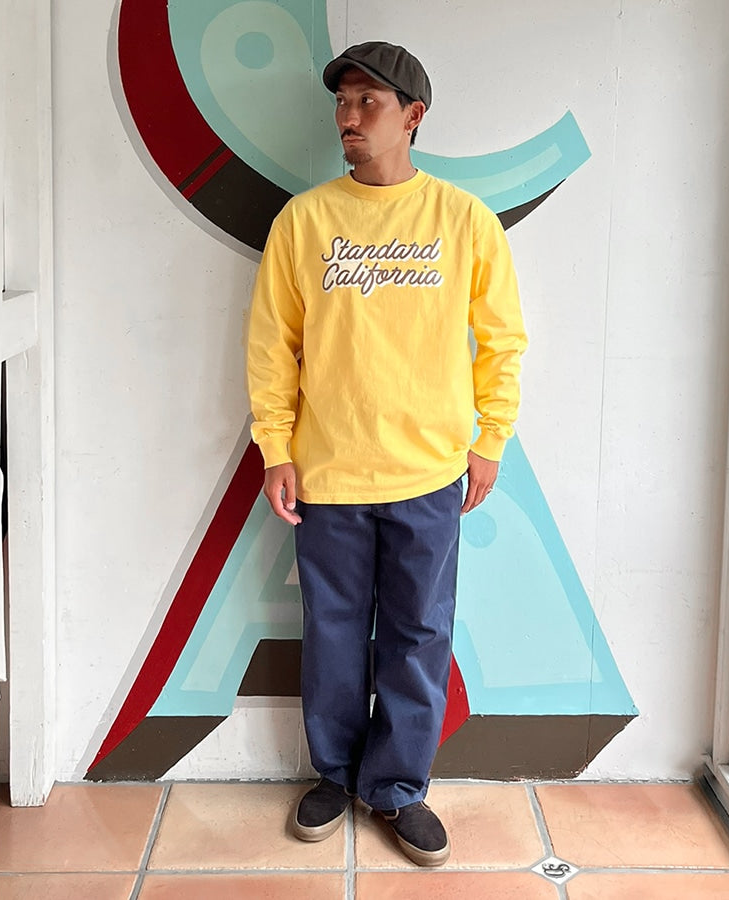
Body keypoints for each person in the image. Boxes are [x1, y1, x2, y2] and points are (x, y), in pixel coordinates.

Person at [246, 40, 527, 867]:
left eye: (369, 102)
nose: (350, 117)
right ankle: (336, 775)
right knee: (333, 634)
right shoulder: (304, 222)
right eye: (343, 102)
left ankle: (398, 787)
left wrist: (490, 440)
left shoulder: (462, 221)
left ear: (413, 116)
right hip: (328, 471)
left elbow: (502, 342)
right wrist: (275, 446)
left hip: (431, 473)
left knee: (418, 634)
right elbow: (271, 346)